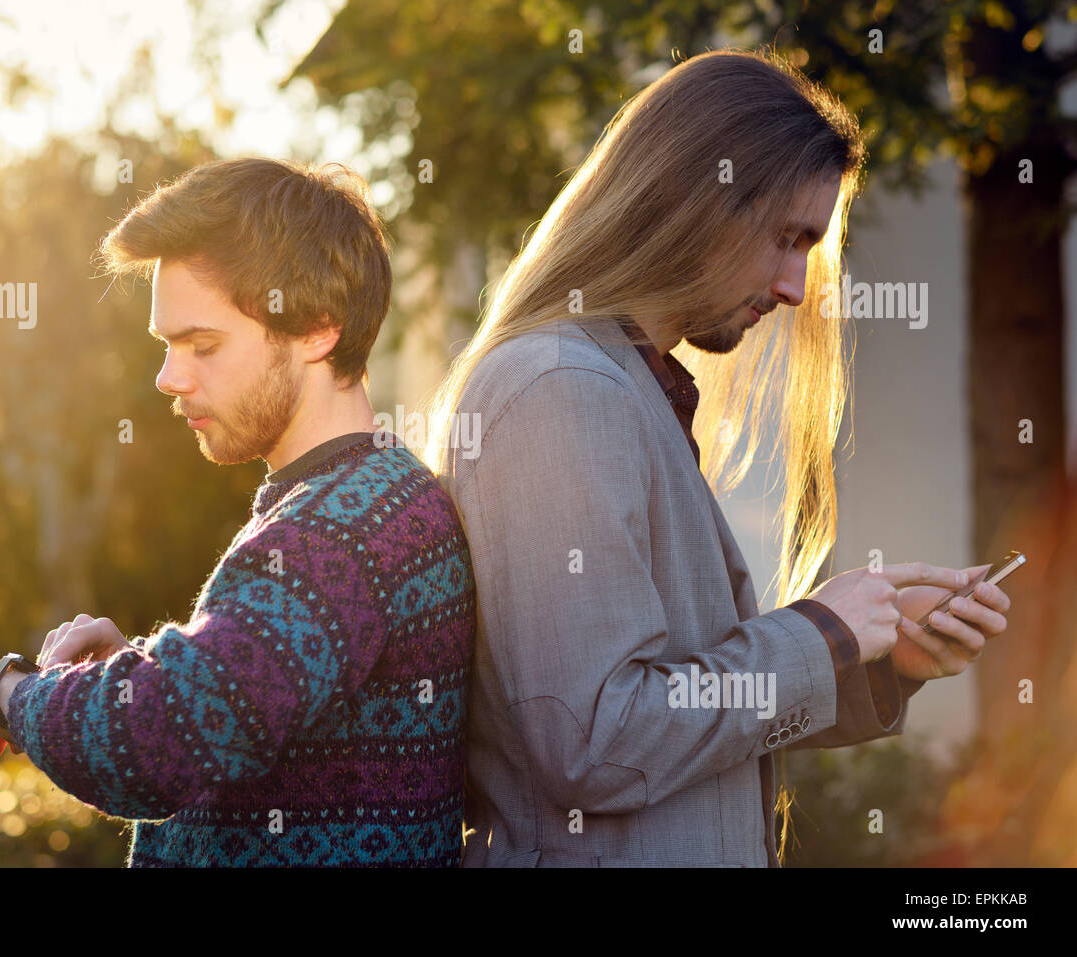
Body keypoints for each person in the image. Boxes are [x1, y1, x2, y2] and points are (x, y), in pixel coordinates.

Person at [422, 48, 1012, 867]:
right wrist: (820, 631)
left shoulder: (630, 385)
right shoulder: (562, 390)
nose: (797, 287)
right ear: (697, 201)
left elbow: (682, 711)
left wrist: (872, 660)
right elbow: (598, 737)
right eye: (787, 239)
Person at [0, 157, 476, 867]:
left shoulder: (340, 529)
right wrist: (138, 669)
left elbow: (159, 739)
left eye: (203, 344)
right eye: (168, 345)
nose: (168, 376)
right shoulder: (365, 497)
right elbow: (237, 710)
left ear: (319, 327)